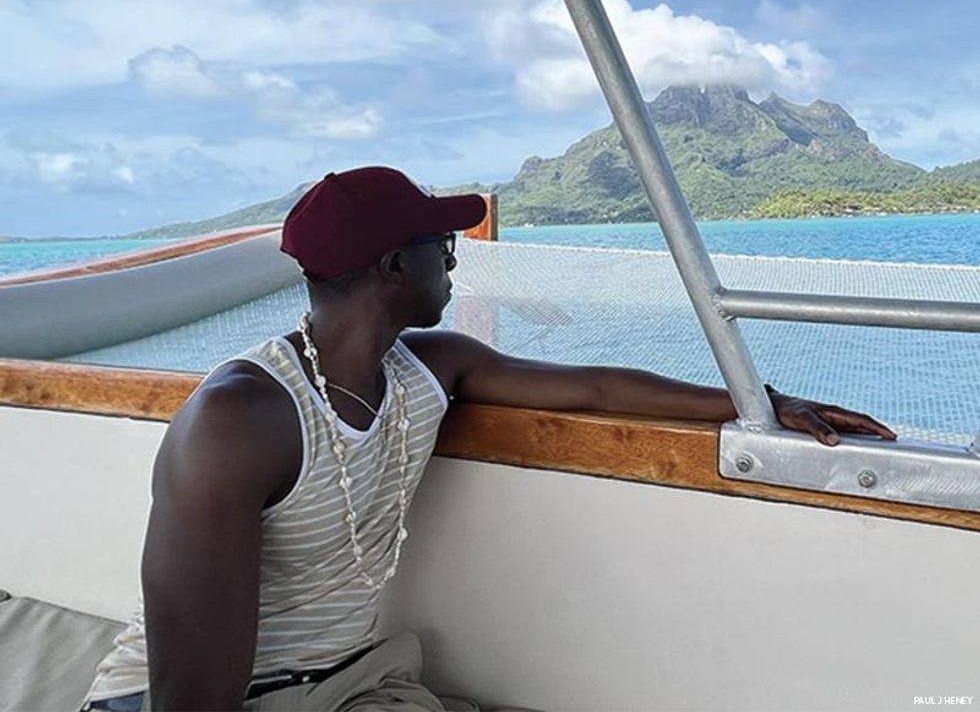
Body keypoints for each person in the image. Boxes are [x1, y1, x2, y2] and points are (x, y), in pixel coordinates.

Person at [83, 166, 896, 712]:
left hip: (340, 682)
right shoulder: (240, 419)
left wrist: (765, 401)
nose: (454, 261)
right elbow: (192, 691)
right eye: (444, 246)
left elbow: (598, 386)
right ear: (395, 265)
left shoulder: (431, 367)